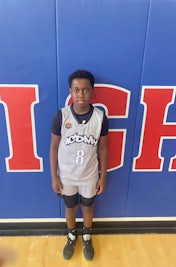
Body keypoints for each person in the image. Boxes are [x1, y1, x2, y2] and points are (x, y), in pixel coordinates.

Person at [50, 69, 108, 261]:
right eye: (76, 90)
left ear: (92, 91)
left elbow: (103, 149)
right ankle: (71, 234)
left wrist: (103, 176)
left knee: (88, 206)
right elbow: (54, 147)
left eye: (85, 90)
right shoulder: (61, 116)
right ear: (70, 91)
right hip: (67, 175)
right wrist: (54, 177)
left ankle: (87, 234)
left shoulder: (100, 117)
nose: (80, 94)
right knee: (70, 207)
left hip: (90, 174)